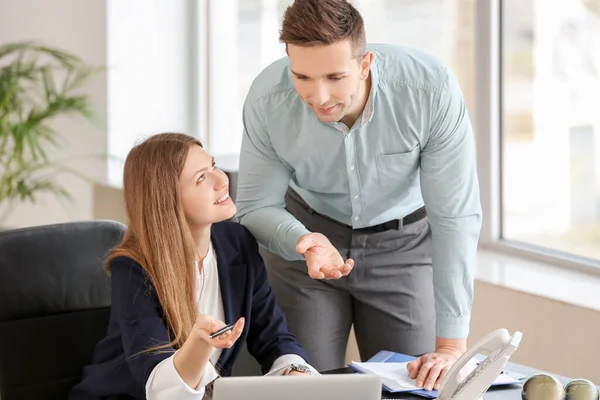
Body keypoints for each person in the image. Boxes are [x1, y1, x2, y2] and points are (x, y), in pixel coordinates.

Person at [235, 0, 482, 392]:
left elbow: (455, 214)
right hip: (306, 248)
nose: (318, 96)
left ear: (365, 63)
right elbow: (255, 205)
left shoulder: (428, 90)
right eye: (302, 76)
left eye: (335, 76)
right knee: (303, 388)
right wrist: (303, 241)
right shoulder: (268, 99)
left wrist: (451, 345)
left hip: (404, 245)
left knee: (418, 386)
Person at [70, 133, 317, 400]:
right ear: (167, 200)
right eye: (202, 178)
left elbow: (274, 336)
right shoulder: (132, 268)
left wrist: (295, 372)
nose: (222, 180)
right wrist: (198, 346)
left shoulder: (239, 243)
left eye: (213, 166)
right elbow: (159, 386)